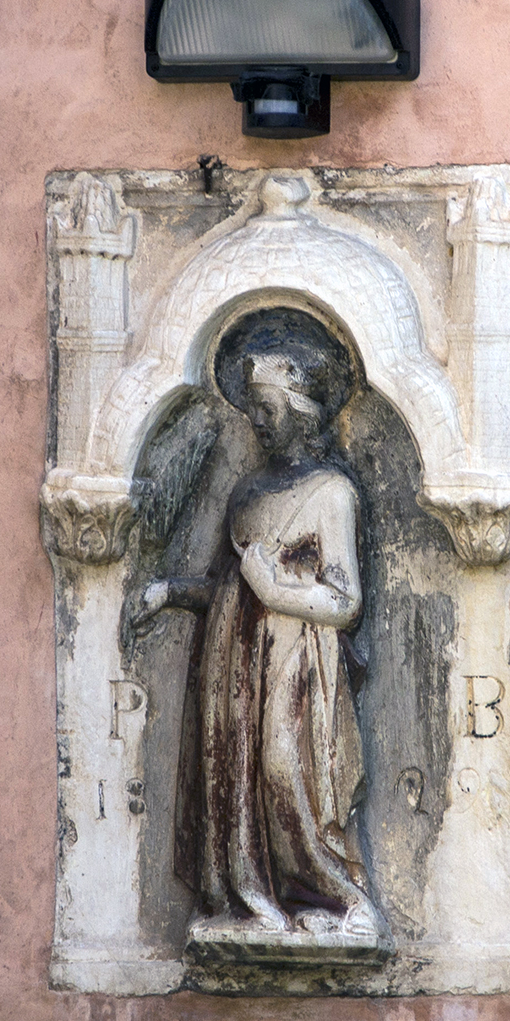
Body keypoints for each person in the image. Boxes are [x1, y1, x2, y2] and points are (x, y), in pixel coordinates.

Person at [123, 342, 387, 944]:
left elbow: (345, 602)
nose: (257, 420)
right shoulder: (246, 492)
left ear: (301, 410)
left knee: (283, 770)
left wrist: (274, 589)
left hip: (296, 663)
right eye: (252, 409)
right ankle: (253, 905)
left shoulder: (330, 492)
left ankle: (343, 901)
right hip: (234, 661)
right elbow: (226, 585)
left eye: (268, 407)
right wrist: (168, 592)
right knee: (232, 779)